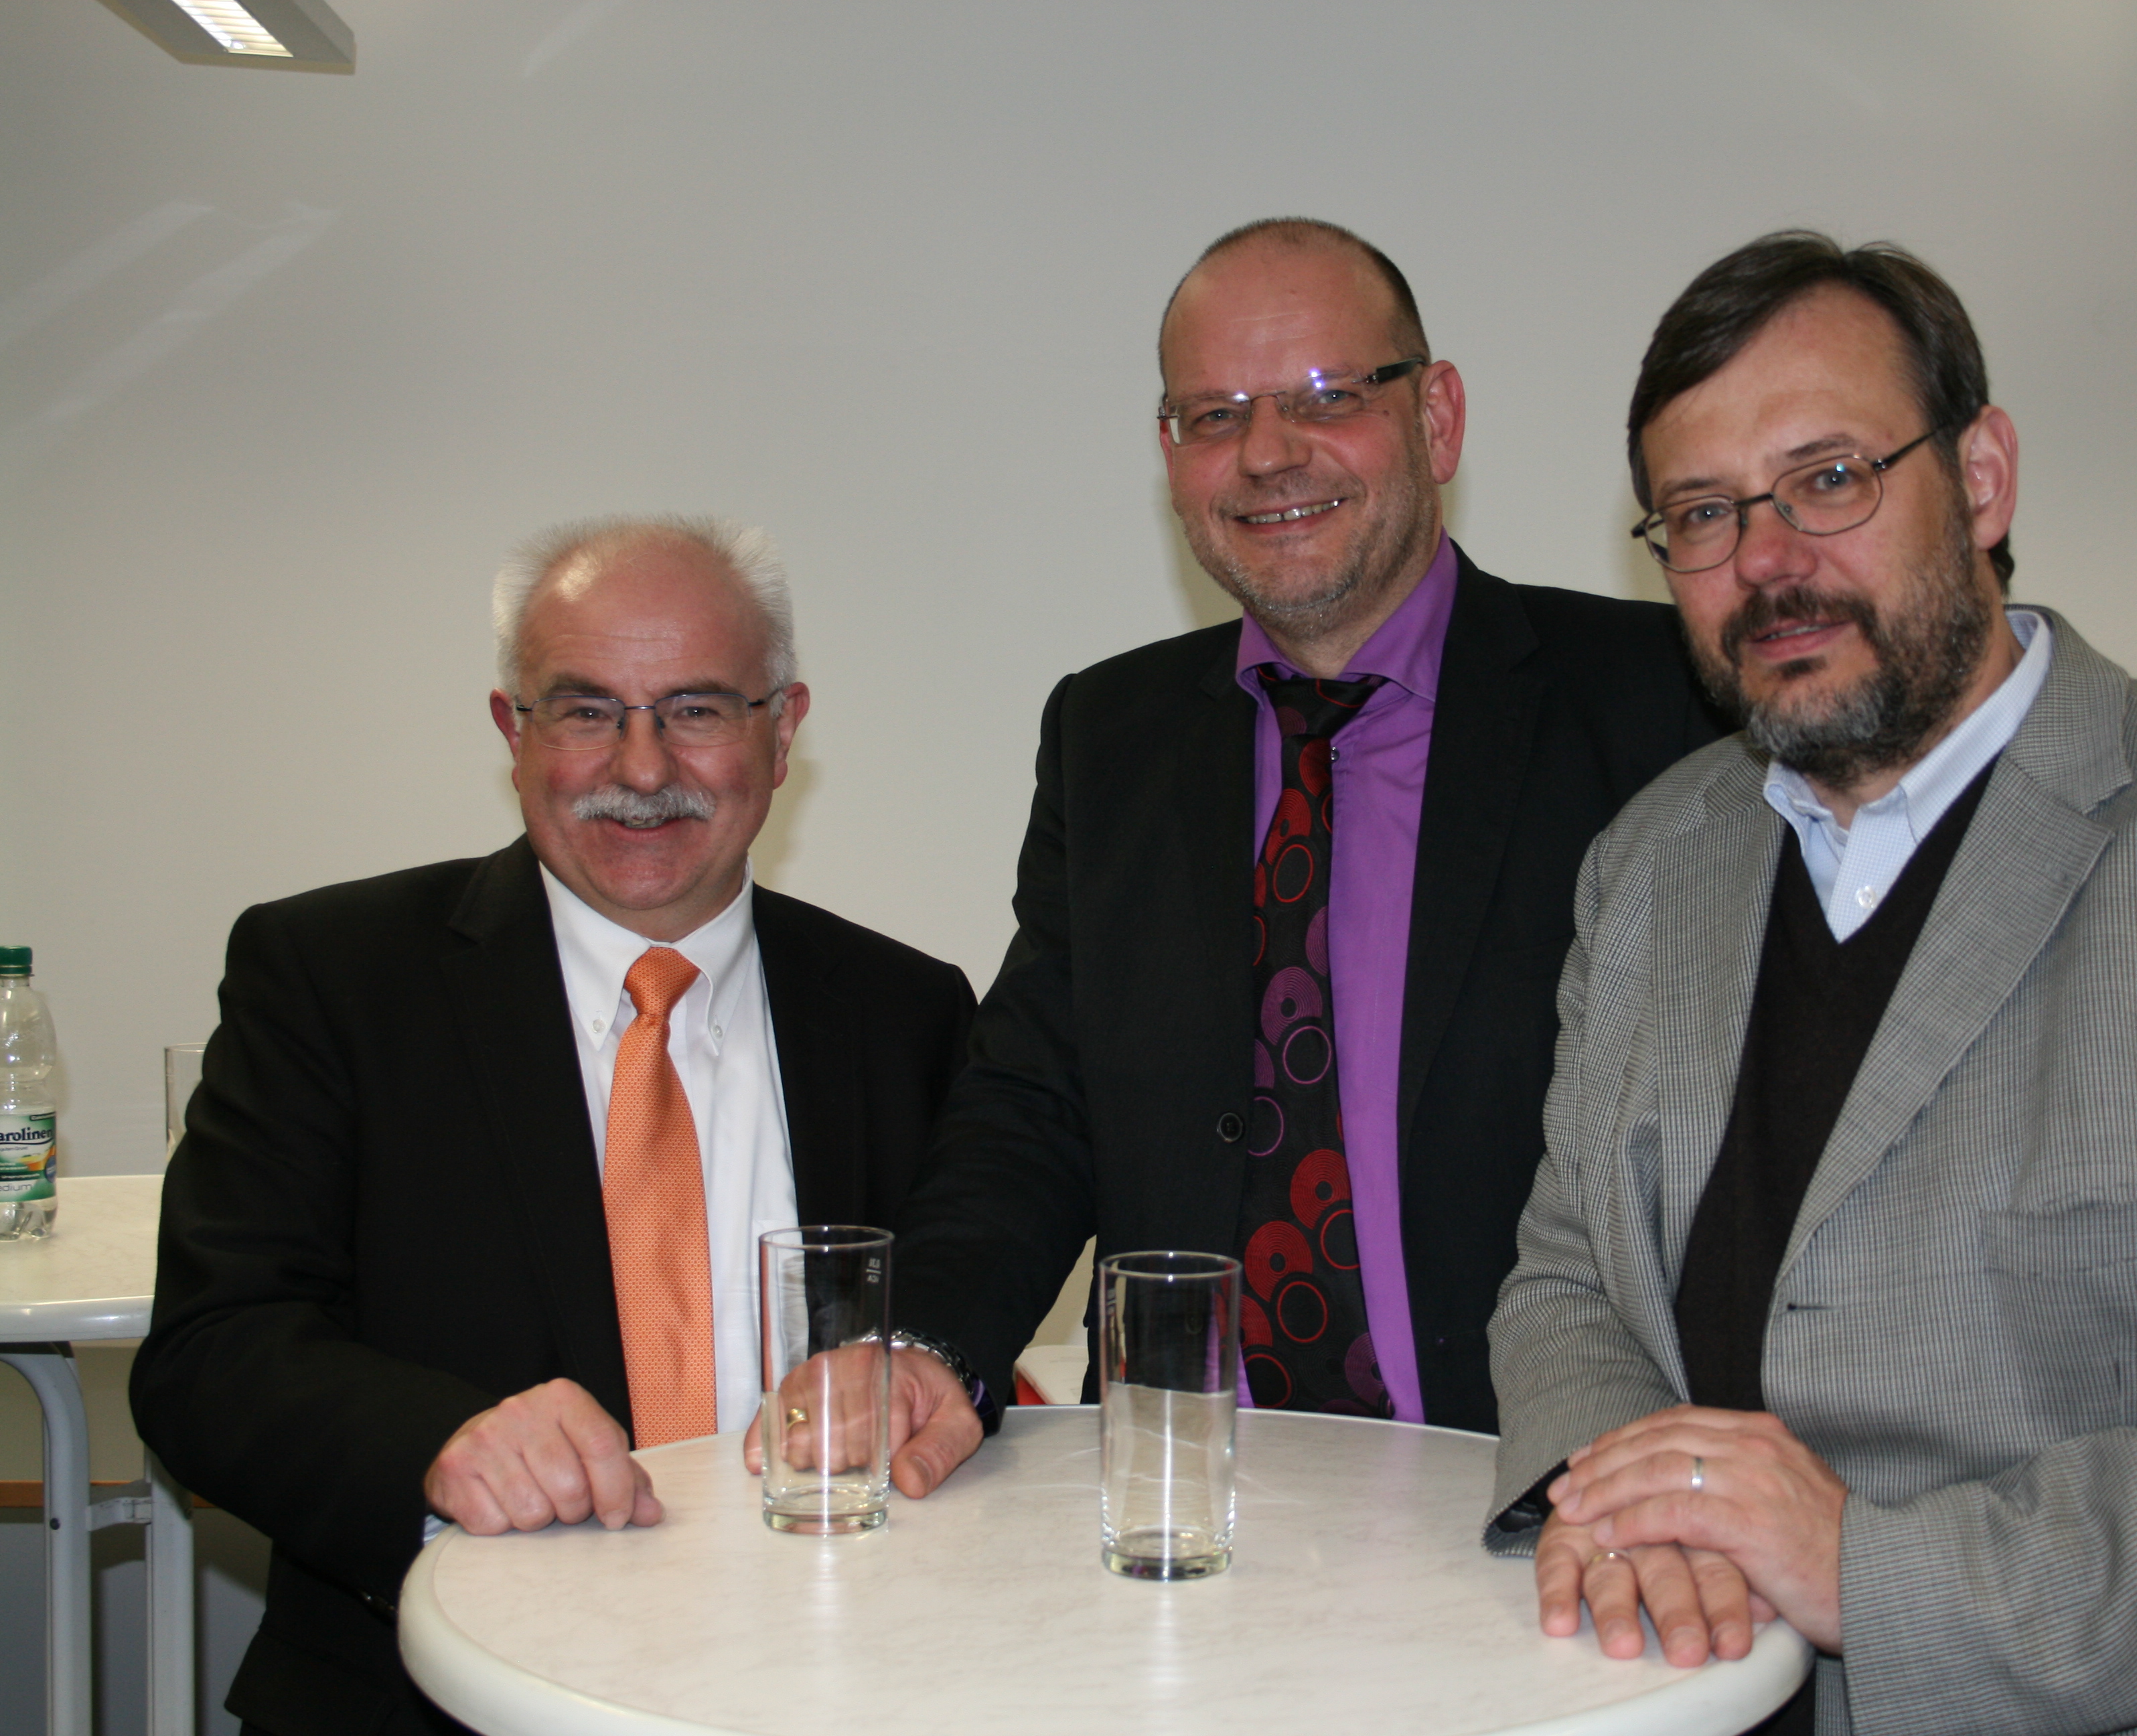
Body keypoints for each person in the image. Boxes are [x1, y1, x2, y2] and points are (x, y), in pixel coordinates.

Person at [1484, 232, 2137, 1734]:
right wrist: (1639, 1500)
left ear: (1983, 478)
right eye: (1704, 513)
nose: (1771, 560)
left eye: (1830, 478)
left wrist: (1877, 1575)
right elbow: (1566, 1282)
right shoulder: (1652, 863)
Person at [879, 217, 1722, 1486]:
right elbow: (1035, 1101)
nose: (1267, 453)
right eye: (1212, 415)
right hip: (1184, 1505)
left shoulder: (1663, 705)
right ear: (1168, 457)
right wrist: (931, 1342)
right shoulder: (1108, 735)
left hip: (1541, 1497)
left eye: (1327, 396)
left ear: (1437, 417)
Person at [131, 516, 974, 1736]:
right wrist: (438, 1443)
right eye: (585, 712)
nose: (640, 769)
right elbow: (213, 1353)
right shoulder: (330, 976)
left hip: (833, 1689)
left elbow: (947, 1328)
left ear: (782, 733)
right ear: (510, 734)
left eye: (695, 710)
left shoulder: (908, 1012)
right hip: (432, 1699)